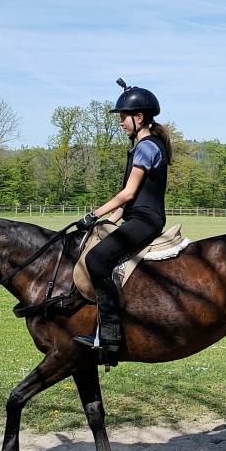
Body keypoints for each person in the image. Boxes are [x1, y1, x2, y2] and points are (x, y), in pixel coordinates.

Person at [72, 80, 171, 361]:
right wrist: (109, 219)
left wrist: (93, 214)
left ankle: (110, 335)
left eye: (123, 118)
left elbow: (127, 193)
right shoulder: (144, 146)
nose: (120, 123)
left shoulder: (146, 148)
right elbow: (130, 200)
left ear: (139, 118)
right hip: (136, 217)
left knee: (96, 260)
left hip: (146, 221)